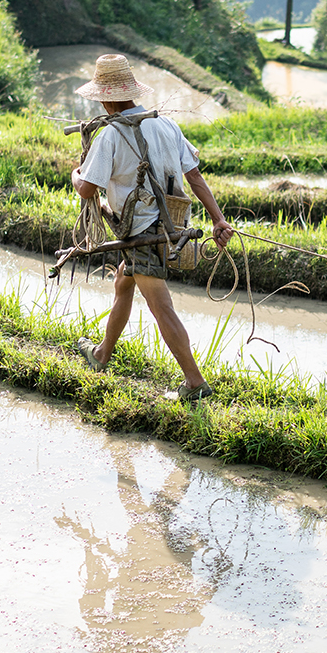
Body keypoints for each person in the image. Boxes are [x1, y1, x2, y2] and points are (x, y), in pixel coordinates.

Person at [69, 54, 235, 402]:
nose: (100, 101)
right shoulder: (166, 125)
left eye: (101, 96)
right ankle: (101, 355)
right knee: (122, 282)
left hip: (141, 233)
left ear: (108, 97)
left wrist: (76, 173)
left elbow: (87, 189)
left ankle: (194, 383)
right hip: (172, 225)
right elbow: (194, 176)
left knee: (161, 308)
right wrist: (218, 218)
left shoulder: (111, 135)